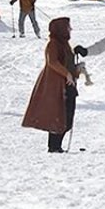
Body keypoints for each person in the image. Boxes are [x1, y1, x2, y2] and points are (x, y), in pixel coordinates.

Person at [23, 16, 82, 153]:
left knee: (67, 116)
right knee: (59, 115)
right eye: (68, 27)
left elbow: (66, 63)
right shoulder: (53, 44)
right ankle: (54, 146)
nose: (70, 29)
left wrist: (76, 70)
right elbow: (53, 62)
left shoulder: (65, 44)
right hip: (57, 85)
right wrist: (67, 74)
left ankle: (56, 145)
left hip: (68, 85)